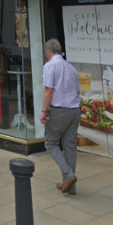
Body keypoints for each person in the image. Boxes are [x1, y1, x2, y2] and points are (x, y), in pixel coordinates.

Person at [40, 39, 80, 195]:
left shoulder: (50, 66)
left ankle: (69, 175)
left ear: (48, 51)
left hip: (59, 109)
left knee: (51, 143)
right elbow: (77, 92)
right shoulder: (71, 68)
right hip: (74, 109)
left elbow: (49, 91)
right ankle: (70, 186)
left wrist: (44, 111)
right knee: (70, 147)